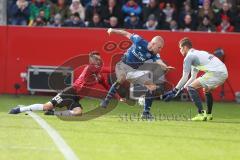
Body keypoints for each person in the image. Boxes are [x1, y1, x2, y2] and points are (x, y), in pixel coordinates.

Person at [100, 28, 175, 119]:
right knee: (122, 77)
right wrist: (112, 30)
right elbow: (125, 33)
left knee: (152, 87)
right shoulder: (139, 40)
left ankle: (145, 113)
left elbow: (159, 61)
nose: (160, 50)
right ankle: (106, 100)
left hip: (134, 71)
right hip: (122, 65)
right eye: (159, 47)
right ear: (153, 44)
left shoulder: (154, 54)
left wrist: (165, 67)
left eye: (161, 48)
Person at [9, 51, 111, 116]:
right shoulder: (90, 68)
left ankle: (54, 113)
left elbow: (108, 87)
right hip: (70, 92)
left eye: (99, 59)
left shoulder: (99, 75)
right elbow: (108, 69)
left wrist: (118, 97)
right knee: (47, 106)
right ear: (91, 60)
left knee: (78, 113)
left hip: (75, 98)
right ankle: (19, 110)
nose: (99, 60)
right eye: (96, 59)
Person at [163, 37, 228, 121]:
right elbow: (192, 78)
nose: (180, 50)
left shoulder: (189, 57)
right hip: (223, 72)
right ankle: (208, 114)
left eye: (180, 48)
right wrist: (180, 91)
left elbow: (184, 77)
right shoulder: (196, 54)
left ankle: (201, 113)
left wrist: (174, 91)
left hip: (216, 72)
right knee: (206, 90)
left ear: (185, 47)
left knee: (191, 87)